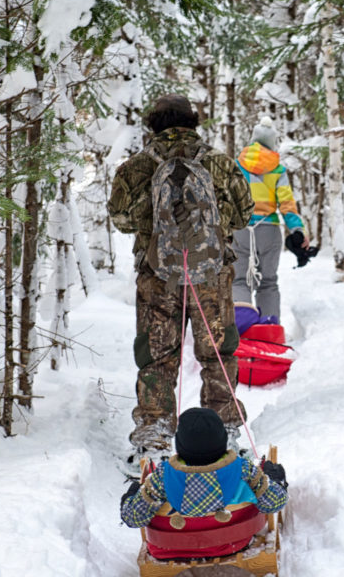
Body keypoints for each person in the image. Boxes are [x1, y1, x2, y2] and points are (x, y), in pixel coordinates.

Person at [108, 94, 254, 461]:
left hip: (157, 277)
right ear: (193, 121)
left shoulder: (137, 166)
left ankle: (153, 440)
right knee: (217, 354)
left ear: (152, 124)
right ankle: (227, 431)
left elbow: (122, 221)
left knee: (156, 358)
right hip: (211, 276)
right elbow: (243, 215)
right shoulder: (219, 162)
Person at [120, 408, 287, 558]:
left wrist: (132, 493)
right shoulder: (242, 469)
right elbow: (274, 502)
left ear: (179, 444)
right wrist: (274, 477)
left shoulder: (162, 477)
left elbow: (133, 518)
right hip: (233, 544)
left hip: (170, 548)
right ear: (222, 440)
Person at [232, 116, 309, 324]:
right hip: (269, 230)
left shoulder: (236, 166)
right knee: (268, 282)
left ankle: (242, 329)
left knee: (239, 280)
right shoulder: (278, 170)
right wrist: (297, 230)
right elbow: (287, 204)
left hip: (240, 230)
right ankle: (269, 328)